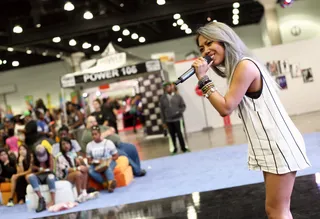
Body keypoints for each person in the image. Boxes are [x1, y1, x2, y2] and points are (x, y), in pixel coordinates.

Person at [192, 22, 311, 219]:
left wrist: (203, 78)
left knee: (277, 211)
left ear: (225, 41)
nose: (205, 51)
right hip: (270, 144)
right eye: (201, 48)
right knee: (276, 210)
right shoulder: (241, 66)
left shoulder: (244, 66)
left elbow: (225, 107)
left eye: (209, 43)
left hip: (277, 144)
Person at [82, 116, 146, 177]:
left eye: (94, 121)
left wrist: (109, 131)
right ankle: (137, 171)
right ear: (87, 124)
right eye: (91, 122)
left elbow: (112, 129)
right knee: (122, 153)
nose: (93, 123)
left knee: (131, 147)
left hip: (118, 144)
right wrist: (108, 132)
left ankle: (137, 167)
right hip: (105, 150)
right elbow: (99, 137)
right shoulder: (87, 133)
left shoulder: (100, 127)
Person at [54, 137, 95, 203]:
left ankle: (84, 192)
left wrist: (80, 161)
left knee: (84, 170)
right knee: (78, 173)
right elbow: (66, 170)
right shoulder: (59, 156)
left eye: (67, 143)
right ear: (61, 146)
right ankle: (79, 195)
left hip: (71, 174)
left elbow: (80, 166)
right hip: (62, 176)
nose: (66, 146)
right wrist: (78, 168)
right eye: (63, 144)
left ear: (70, 144)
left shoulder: (72, 154)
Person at [86, 126, 119, 193]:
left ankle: (110, 184)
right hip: (96, 163)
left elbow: (116, 156)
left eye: (96, 134)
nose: (94, 136)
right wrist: (95, 162)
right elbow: (89, 161)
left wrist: (108, 160)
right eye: (92, 134)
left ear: (100, 134)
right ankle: (106, 184)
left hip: (109, 161)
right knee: (90, 171)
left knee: (107, 167)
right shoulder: (89, 145)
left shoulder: (108, 142)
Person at [160, 82, 188, 155]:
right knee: (172, 135)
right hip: (168, 120)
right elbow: (162, 110)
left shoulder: (178, 96)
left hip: (178, 119)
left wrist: (179, 112)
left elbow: (183, 106)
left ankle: (184, 148)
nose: (168, 88)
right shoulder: (162, 98)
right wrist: (163, 121)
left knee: (180, 134)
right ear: (164, 89)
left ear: (171, 87)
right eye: (166, 87)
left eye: (169, 87)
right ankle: (174, 149)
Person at [26, 145, 56, 212]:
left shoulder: (49, 156)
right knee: (31, 177)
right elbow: (32, 168)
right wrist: (39, 169)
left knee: (51, 177)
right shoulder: (34, 158)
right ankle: (41, 199)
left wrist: (44, 170)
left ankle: (53, 200)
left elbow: (51, 169)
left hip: (49, 174)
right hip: (39, 175)